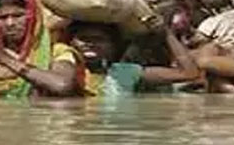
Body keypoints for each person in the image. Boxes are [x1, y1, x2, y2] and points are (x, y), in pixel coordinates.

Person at [68, 22, 201, 97]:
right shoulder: (65, 73)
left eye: (98, 40)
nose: (90, 44)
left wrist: (167, 34)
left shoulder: (124, 73)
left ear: (114, 47)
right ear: (71, 43)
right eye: (84, 39)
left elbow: (189, 73)